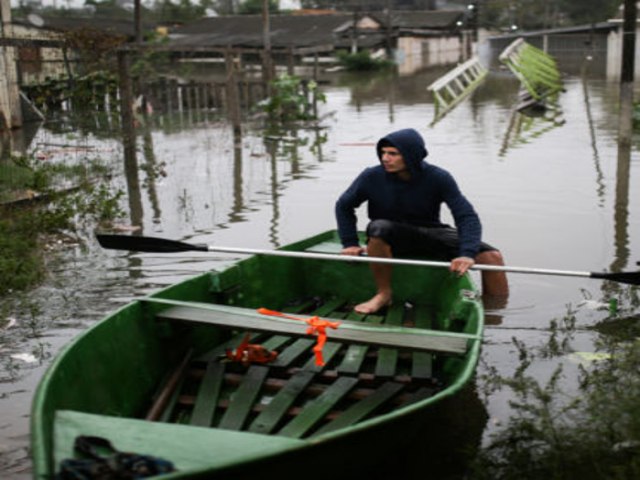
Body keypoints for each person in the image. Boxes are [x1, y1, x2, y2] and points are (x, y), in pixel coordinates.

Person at [335, 128, 509, 314]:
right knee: (377, 228)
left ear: (411, 155)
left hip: (430, 231)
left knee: (492, 257)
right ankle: (384, 294)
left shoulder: (439, 177)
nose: (385, 158)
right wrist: (350, 242)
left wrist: (467, 253)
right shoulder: (371, 176)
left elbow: (466, 216)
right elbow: (343, 206)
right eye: (383, 153)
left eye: (392, 154)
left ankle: (494, 312)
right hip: (390, 235)